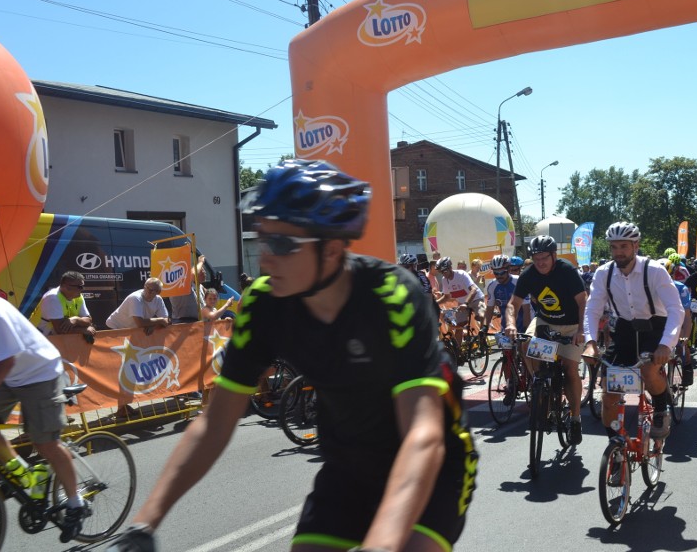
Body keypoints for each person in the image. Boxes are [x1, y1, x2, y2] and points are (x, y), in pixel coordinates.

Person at [107, 160, 476, 552]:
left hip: (432, 468)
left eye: (282, 244)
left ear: (332, 249)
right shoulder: (265, 303)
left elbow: (423, 435)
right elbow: (215, 422)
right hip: (349, 468)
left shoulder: (392, 298)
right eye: (263, 240)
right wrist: (144, 525)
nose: (265, 259)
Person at [0, 294, 85, 543]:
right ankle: (22, 474)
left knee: (44, 442)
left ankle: (76, 503)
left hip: (39, 373)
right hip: (10, 375)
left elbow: (6, 361)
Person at [582, 222, 685, 442]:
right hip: (624, 330)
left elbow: (675, 309)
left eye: (623, 246)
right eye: (614, 247)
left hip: (654, 328)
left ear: (635, 246)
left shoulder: (654, 270)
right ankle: (615, 445)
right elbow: (592, 309)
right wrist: (590, 342)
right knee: (608, 392)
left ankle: (660, 405)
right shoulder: (603, 273)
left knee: (649, 372)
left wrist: (666, 344)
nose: (618, 252)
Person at [503, 235, 586, 445]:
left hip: (571, 325)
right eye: (536, 258)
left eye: (544, 258)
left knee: (569, 369)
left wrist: (581, 330)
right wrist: (511, 324)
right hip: (545, 323)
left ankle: (575, 418)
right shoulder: (529, 274)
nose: (540, 262)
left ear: (554, 256)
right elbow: (513, 304)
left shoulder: (567, 271)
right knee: (525, 343)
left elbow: (582, 302)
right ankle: (541, 382)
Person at [436, 256, 486, 346]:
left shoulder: (461, 274)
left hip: (475, 299)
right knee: (459, 326)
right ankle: (457, 352)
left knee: (481, 316)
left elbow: (473, 290)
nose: (443, 274)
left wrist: (466, 303)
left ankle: (482, 337)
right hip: (462, 303)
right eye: (441, 272)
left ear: (450, 268)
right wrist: (435, 303)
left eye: (445, 271)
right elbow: (446, 297)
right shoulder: (444, 280)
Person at [661, 259, 694, 385]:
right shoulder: (651, 288)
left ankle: (687, 368)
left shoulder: (681, 289)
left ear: (673, 275)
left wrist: (685, 335)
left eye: (668, 276)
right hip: (660, 322)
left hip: (677, 321)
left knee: (682, 347)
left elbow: (686, 316)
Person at [36, 271, 96, 341]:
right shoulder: (53, 298)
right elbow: (60, 330)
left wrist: (76, 319)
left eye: (83, 286)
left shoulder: (78, 296)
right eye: (80, 287)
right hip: (39, 338)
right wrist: (84, 330)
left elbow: (88, 320)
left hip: (55, 338)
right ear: (65, 287)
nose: (82, 289)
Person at [105, 278, 170, 331]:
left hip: (131, 330)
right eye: (146, 287)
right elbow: (140, 323)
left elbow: (166, 320)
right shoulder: (135, 298)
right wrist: (160, 320)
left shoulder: (158, 299)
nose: (148, 291)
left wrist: (153, 327)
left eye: (152, 290)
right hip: (114, 328)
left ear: (158, 292)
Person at [169, 255, 206, 324]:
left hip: (199, 323)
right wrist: (200, 262)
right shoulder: (180, 285)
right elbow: (192, 274)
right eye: (201, 272)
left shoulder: (201, 287)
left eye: (204, 272)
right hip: (184, 324)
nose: (204, 274)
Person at [484, 255, 518, 331]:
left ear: (509, 270)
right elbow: (490, 309)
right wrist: (485, 327)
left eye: (502, 272)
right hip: (506, 327)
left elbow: (527, 308)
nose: (499, 276)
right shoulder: (492, 285)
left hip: (524, 324)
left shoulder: (518, 282)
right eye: (496, 273)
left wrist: (526, 329)